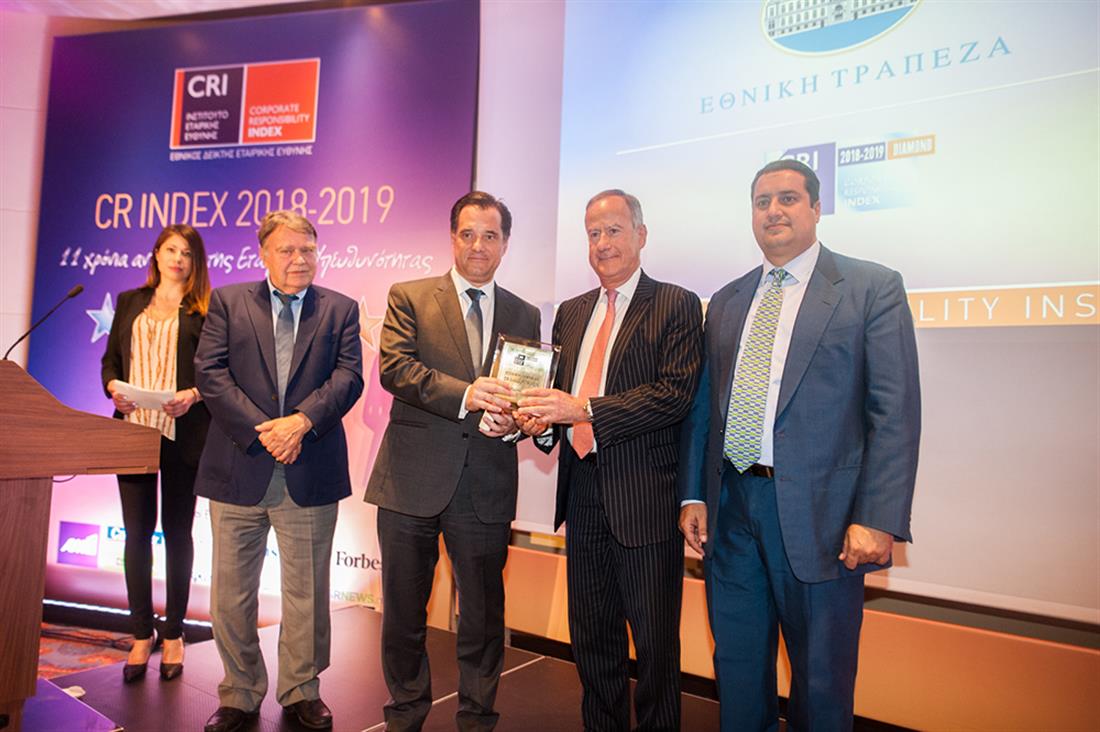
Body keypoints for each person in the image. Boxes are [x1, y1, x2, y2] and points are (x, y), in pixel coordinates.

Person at [678, 159, 921, 730]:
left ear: (815, 208)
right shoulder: (728, 299)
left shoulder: (871, 287)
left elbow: (894, 414)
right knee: (737, 668)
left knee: (821, 680)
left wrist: (877, 517)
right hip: (732, 512)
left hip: (823, 520)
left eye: (788, 198)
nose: (774, 211)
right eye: (762, 201)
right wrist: (694, 494)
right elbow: (704, 409)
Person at [516, 190, 702, 731]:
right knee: (592, 637)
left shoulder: (676, 303)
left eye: (614, 230)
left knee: (655, 644)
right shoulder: (571, 313)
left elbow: (674, 395)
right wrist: (540, 423)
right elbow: (558, 399)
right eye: (593, 234)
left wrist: (585, 410)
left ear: (641, 235)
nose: (602, 243)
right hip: (583, 493)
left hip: (645, 498)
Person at [365, 191, 541, 731]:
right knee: (403, 615)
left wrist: (515, 423)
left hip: (485, 485)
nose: (478, 246)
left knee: (483, 619)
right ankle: (405, 715)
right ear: (452, 238)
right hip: (410, 482)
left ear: (505, 243)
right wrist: (467, 394)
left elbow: (525, 394)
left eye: (490, 235)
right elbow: (395, 369)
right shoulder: (410, 296)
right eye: (468, 234)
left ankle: (477, 719)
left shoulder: (525, 313)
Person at [194, 210, 363, 732]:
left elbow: (349, 377)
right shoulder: (228, 301)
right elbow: (210, 372)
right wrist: (266, 430)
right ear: (263, 254)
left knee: (307, 593)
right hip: (239, 466)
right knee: (230, 595)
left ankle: (301, 690)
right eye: (287, 250)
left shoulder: (340, 309)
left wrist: (301, 422)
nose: (299, 259)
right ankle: (239, 691)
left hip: (308, 468)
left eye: (307, 249)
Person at [101, 224, 211, 683]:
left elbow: (216, 370)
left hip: (183, 432)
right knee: (136, 534)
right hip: (133, 431)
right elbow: (110, 360)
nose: (178, 259)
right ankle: (141, 632)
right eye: (171, 250)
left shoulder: (205, 310)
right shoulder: (130, 301)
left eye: (187, 252)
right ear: (157, 254)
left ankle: (174, 633)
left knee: (178, 533)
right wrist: (113, 387)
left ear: (195, 261)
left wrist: (193, 394)